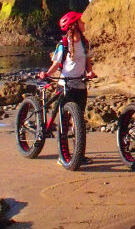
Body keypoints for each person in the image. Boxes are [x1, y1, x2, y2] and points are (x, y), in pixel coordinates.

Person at [37, 11, 96, 163]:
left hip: (80, 85)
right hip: (64, 85)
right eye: (81, 22)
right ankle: (63, 156)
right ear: (74, 25)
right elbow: (56, 63)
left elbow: (88, 61)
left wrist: (90, 72)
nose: (84, 24)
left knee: (78, 122)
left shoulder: (85, 42)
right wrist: (47, 74)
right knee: (64, 122)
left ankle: (78, 155)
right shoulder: (63, 44)